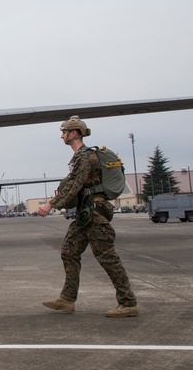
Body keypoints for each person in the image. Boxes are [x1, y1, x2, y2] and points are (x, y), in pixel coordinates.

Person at [37, 117, 138, 318]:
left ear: (74, 133)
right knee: (69, 251)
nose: (61, 135)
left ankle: (128, 303)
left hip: (94, 214)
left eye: (64, 132)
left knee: (107, 258)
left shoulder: (85, 158)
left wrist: (51, 204)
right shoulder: (78, 158)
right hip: (85, 215)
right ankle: (67, 299)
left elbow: (75, 186)